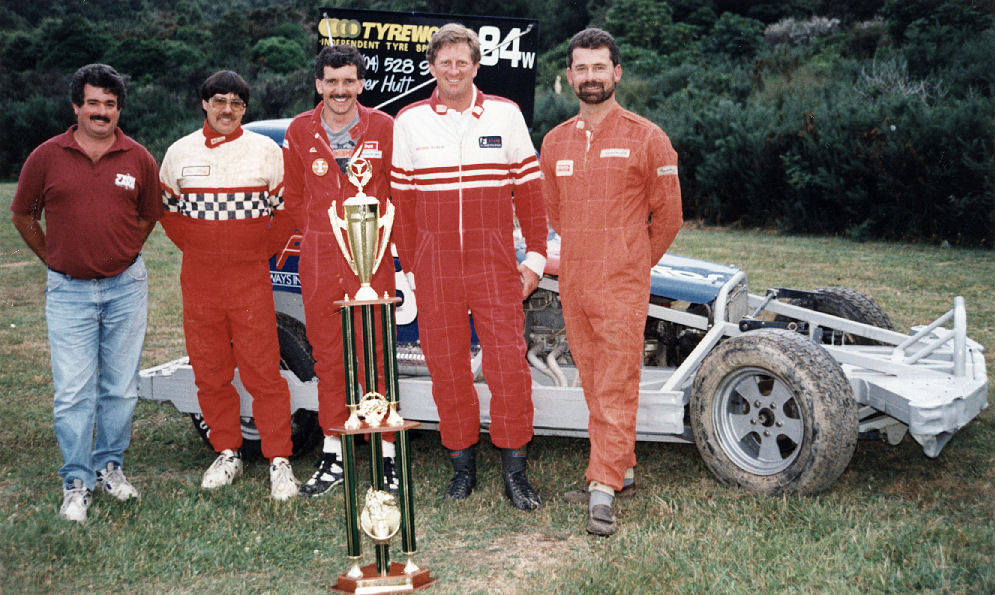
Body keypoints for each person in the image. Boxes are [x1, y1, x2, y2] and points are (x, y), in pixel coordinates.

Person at [391, 23, 548, 511]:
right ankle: (462, 467)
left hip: (494, 263)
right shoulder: (409, 120)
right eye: (444, 62)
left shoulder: (505, 113)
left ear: (475, 66)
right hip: (435, 268)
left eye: (463, 62)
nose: (453, 70)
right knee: (447, 369)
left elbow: (531, 194)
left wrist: (536, 259)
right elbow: (403, 203)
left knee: (507, 366)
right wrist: (414, 268)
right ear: (432, 67)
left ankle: (515, 472)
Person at [540, 28, 683, 535]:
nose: (591, 77)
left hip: (622, 281)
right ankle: (621, 468)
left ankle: (602, 488)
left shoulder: (647, 136)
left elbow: (668, 218)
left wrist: (630, 262)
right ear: (570, 75)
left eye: (600, 67)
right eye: (581, 68)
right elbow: (555, 214)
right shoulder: (554, 141)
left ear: (617, 73)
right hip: (574, 279)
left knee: (616, 382)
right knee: (595, 380)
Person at [11, 64, 162, 523]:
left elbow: (148, 215)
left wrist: (124, 253)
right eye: (92, 103)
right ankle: (76, 480)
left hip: (125, 289)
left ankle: (109, 467)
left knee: (120, 388)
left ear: (119, 109)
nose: (101, 112)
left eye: (110, 105)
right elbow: (23, 217)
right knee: (74, 391)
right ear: (76, 106)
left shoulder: (138, 158)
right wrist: (55, 259)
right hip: (69, 292)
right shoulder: (46, 156)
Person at [158, 70, 300, 501]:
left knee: (263, 370)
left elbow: (287, 212)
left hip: (249, 277)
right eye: (219, 101)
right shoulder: (179, 152)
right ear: (204, 103)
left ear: (245, 108)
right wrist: (203, 250)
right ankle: (226, 449)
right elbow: (169, 215)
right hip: (199, 278)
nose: (227, 110)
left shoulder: (265, 151)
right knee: (211, 369)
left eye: (236, 103)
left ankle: (279, 458)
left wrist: (256, 251)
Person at [281, 45, 399, 498]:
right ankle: (335, 453)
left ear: (361, 84)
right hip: (320, 259)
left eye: (349, 80)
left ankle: (386, 455)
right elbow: (294, 197)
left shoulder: (383, 127)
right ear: (318, 85)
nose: (340, 90)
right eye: (331, 81)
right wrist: (319, 233)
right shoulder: (300, 129)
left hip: (371, 259)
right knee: (329, 357)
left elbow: (398, 195)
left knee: (377, 356)